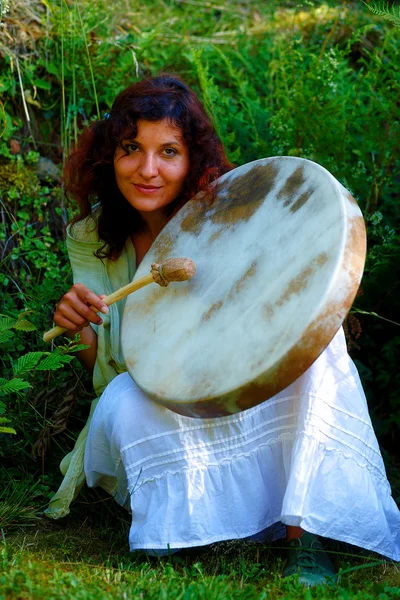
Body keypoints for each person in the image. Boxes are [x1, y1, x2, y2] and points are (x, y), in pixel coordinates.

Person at [46, 75, 400, 585]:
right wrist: (80, 330)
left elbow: (270, 323)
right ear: (111, 155)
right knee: (123, 398)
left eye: (168, 151)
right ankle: (182, 526)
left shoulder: (231, 212)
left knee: (322, 345)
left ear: (192, 159)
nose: (148, 170)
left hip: (236, 387)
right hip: (162, 401)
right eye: (131, 149)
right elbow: (108, 377)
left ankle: (302, 534)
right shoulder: (90, 236)